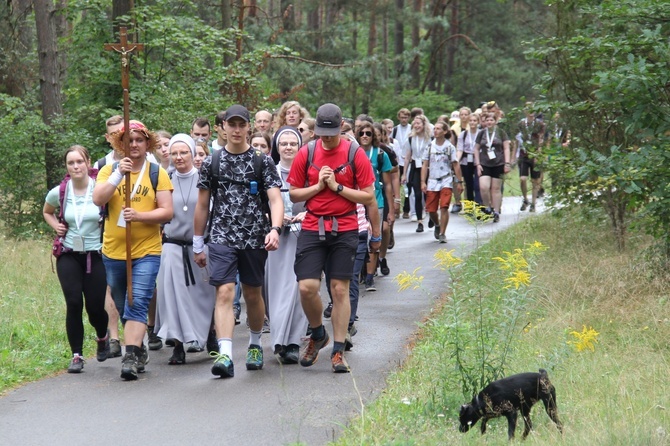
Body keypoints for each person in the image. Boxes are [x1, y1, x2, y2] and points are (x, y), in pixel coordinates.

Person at [193, 104, 284, 378]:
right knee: (223, 292)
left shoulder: (261, 160)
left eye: (240, 124)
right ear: (222, 128)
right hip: (221, 235)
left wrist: (275, 229)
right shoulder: (212, 161)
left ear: (248, 128)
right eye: (230, 124)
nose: (235, 129)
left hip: (255, 236)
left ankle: (255, 343)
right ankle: (225, 354)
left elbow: (275, 199)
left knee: (253, 293)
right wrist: (198, 241)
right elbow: (202, 204)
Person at [287, 103, 378, 374]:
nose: (325, 138)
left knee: (339, 289)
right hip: (314, 224)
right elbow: (293, 194)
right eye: (321, 132)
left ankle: (338, 351)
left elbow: (368, 195)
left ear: (340, 127)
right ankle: (318, 334)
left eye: (331, 132)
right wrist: (318, 186)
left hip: (346, 227)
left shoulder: (354, 153)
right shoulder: (308, 152)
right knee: (306, 287)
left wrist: (337, 187)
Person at [93, 120, 174, 380]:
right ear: (121, 144)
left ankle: (129, 355)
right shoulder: (108, 170)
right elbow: (98, 199)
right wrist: (118, 174)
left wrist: (139, 215)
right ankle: (138, 349)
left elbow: (167, 211)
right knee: (121, 303)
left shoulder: (155, 172)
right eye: (129, 140)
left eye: (139, 140)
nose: (134, 144)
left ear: (147, 143)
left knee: (137, 301)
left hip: (146, 250)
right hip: (114, 251)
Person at [43, 145, 110, 373]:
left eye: (79, 162)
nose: (75, 166)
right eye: (71, 163)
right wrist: (57, 227)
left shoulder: (100, 189)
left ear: (88, 162)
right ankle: (77, 355)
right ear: (66, 167)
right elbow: (47, 211)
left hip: (97, 254)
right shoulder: (60, 191)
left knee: (95, 308)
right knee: (73, 303)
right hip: (69, 254)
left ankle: (102, 336)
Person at [155, 134, 217, 365]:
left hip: (200, 245)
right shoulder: (164, 179)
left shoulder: (204, 179)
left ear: (192, 153)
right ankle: (179, 345)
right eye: (174, 153)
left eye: (184, 152)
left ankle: (209, 334)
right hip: (172, 245)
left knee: (204, 294)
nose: (179, 157)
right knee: (173, 296)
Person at [265, 126, 309, 364]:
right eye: (284, 143)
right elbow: (262, 203)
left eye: (293, 143)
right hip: (275, 239)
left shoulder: (307, 173)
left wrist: (306, 214)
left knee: (297, 289)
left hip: (303, 237)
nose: (289, 147)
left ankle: (293, 341)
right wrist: (274, 220)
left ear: (300, 146)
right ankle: (278, 338)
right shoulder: (268, 172)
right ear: (277, 147)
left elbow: (318, 201)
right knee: (276, 289)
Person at [357, 121, 393, 291]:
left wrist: (391, 209)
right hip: (356, 201)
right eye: (362, 133)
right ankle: (361, 272)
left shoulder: (380, 154)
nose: (365, 136)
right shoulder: (352, 153)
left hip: (376, 201)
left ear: (374, 136)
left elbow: (387, 184)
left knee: (374, 237)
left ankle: (370, 277)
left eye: (368, 133)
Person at [420, 121, 464, 243]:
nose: (436, 131)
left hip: (446, 179)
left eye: (439, 129)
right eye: (435, 128)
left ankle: (442, 233)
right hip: (433, 180)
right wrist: (423, 181)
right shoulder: (429, 147)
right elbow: (424, 165)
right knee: (431, 209)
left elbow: (455, 164)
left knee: (444, 206)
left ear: (445, 131)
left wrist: (459, 182)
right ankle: (437, 224)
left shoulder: (450, 147)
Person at [474, 112, 511, 223]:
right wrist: (478, 164)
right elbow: (476, 149)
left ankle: (496, 211)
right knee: (484, 187)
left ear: (495, 121)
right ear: (484, 122)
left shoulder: (501, 132)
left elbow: (506, 148)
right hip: (485, 163)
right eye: (487, 120)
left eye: (491, 120)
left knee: (495, 189)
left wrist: (507, 163)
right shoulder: (481, 133)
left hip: (498, 163)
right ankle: (487, 207)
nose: (489, 122)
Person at [402, 114, 432, 232]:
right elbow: (407, 157)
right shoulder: (410, 138)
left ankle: (431, 213)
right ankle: (420, 221)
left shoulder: (430, 138)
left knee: (428, 194)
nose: (416, 125)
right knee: (417, 194)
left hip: (428, 166)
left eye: (419, 123)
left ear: (424, 124)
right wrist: (404, 173)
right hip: (415, 166)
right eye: (415, 123)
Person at [515, 105, 546, 212]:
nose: (531, 112)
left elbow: (541, 139)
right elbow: (516, 140)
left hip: (535, 154)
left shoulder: (539, 124)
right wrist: (513, 156)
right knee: (522, 179)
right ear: (525, 112)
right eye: (529, 110)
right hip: (524, 154)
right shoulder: (521, 124)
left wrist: (539, 154)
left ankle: (533, 203)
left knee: (535, 180)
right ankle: (525, 199)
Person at [457, 113, 483, 206]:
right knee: (469, 185)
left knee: (477, 184)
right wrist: (456, 160)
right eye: (471, 120)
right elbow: (460, 149)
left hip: (478, 161)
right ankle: (470, 207)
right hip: (466, 161)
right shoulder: (463, 134)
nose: (472, 123)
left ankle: (479, 205)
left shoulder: (481, 133)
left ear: (478, 122)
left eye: (474, 121)